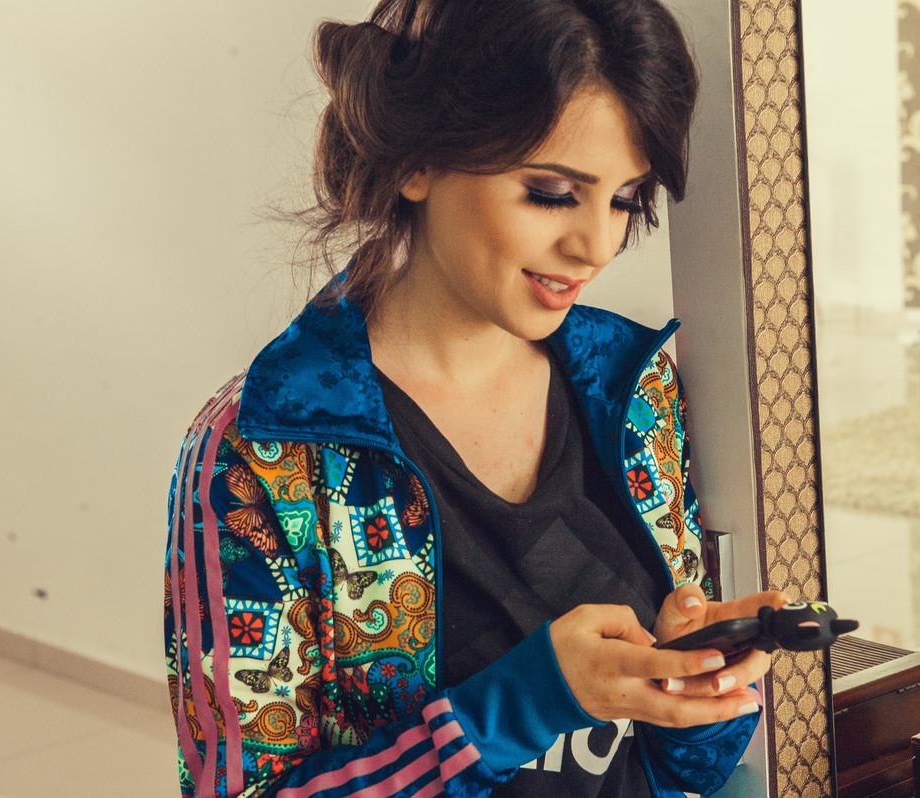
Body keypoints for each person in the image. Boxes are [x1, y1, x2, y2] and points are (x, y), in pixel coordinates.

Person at [164, 0, 787, 795]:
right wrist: (526, 702)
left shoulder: (632, 390)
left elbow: (686, 770)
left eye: (624, 200)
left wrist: (695, 689)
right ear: (418, 163)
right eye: (552, 192)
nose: (596, 245)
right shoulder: (264, 450)